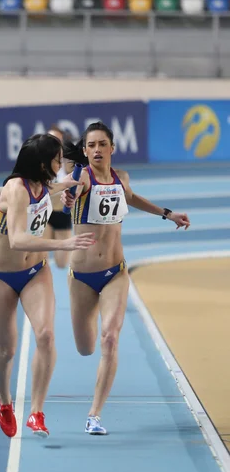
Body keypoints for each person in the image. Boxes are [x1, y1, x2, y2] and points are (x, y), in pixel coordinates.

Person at [61, 121, 190, 435]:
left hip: (115, 273)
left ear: (112, 148)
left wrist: (167, 213)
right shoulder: (80, 177)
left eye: (102, 144)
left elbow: (130, 197)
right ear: (84, 150)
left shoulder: (121, 178)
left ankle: (94, 414)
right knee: (85, 347)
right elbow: (63, 191)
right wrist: (64, 199)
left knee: (110, 339)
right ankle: (89, 334)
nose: (96, 150)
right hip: (81, 277)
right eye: (91, 145)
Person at [0, 133, 95, 438]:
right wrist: (64, 244)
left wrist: (73, 183)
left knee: (45, 335)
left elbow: (54, 189)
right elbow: (17, 239)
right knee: (6, 351)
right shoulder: (16, 189)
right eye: (57, 159)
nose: (60, 164)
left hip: (35, 272)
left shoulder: (41, 185)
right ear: (43, 161)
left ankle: (36, 412)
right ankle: (5, 402)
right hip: (1, 277)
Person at [44, 125, 74, 268]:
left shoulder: (67, 163)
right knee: (38, 258)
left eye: (57, 139)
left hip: (62, 213)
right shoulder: (39, 162)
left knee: (61, 263)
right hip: (44, 213)